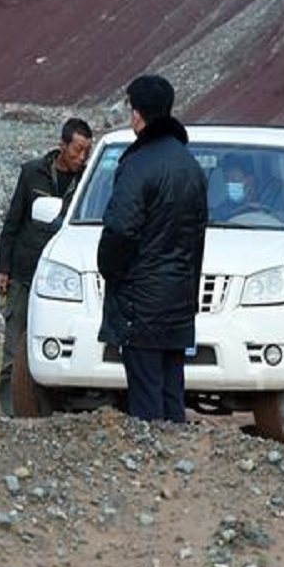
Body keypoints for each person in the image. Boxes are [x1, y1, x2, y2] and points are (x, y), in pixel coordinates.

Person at [97, 75, 208, 422]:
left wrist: (110, 270)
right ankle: (177, 465)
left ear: (138, 114)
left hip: (140, 302)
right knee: (172, 392)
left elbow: (120, 230)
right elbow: (197, 237)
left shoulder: (137, 164)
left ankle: (149, 469)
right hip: (178, 301)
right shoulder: (190, 166)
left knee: (144, 398)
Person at [0, 118, 94, 414]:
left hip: (64, 282)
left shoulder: (87, 181)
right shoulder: (32, 173)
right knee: (14, 349)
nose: (82, 157)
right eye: (77, 150)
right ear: (62, 146)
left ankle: (52, 411)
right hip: (25, 274)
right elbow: (13, 222)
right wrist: (3, 268)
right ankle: (9, 413)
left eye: (87, 151)